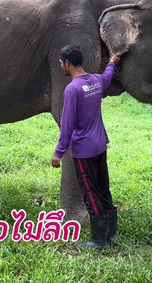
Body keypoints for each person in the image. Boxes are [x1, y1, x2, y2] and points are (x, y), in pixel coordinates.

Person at [51, 44, 121, 250]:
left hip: (84, 150)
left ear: (68, 63)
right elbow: (107, 77)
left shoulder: (72, 89)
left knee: (90, 192)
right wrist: (111, 63)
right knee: (102, 188)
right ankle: (110, 233)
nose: (60, 65)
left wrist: (59, 152)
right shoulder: (95, 81)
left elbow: (67, 125)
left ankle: (99, 240)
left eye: (61, 62)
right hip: (100, 144)